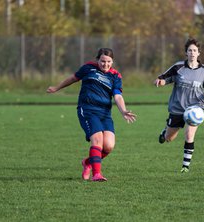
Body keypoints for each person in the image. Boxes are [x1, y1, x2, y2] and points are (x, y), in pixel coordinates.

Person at [46, 48, 136, 181]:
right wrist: (56, 88)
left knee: (109, 146)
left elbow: (118, 96)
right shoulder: (88, 68)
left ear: (113, 61)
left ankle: (88, 162)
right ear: (97, 60)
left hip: (104, 113)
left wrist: (123, 110)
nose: (105, 64)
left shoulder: (115, 76)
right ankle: (97, 174)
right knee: (98, 140)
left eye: (109, 61)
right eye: (102, 61)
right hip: (87, 109)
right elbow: (72, 78)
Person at [153, 38, 204, 173]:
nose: (192, 53)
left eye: (195, 50)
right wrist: (160, 82)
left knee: (189, 135)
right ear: (186, 53)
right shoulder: (178, 67)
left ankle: (185, 167)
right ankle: (165, 133)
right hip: (177, 108)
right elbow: (163, 77)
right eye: (190, 50)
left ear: (199, 53)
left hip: (195, 108)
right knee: (170, 138)